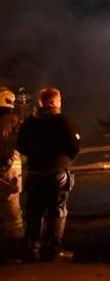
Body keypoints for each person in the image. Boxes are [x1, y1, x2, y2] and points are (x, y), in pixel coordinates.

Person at [16, 87, 80, 262]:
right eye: (59, 100)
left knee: (33, 212)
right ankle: (52, 250)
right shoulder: (63, 121)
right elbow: (74, 146)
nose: (60, 104)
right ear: (53, 102)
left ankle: (31, 248)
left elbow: (21, 146)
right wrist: (63, 161)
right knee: (56, 211)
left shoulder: (29, 123)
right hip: (56, 172)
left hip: (34, 173)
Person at [0, 86, 23, 253]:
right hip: (9, 172)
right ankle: (14, 247)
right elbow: (14, 143)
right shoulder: (12, 120)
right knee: (11, 210)